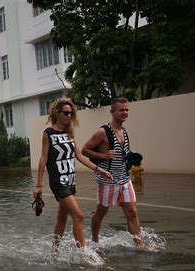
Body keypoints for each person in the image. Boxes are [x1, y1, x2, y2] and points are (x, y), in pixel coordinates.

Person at [33, 98, 113, 260]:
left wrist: (98, 169)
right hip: (58, 181)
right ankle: (84, 255)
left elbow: (79, 156)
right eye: (66, 113)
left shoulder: (68, 133)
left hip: (70, 181)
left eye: (71, 113)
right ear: (57, 113)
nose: (69, 116)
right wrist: (39, 185)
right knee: (79, 216)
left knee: (62, 218)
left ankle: (54, 251)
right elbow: (43, 158)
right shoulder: (48, 133)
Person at [81, 97, 145, 248]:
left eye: (127, 110)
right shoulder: (102, 132)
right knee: (101, 213)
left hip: (124, 179)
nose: (125, 113)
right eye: (121, 110)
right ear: (112, 112)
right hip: (107, 180)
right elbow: (84, 150)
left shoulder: (124, 131)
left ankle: (140, 245)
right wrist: (103, 156)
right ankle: (95, 241)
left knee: (132, 213)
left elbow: (123, 153)